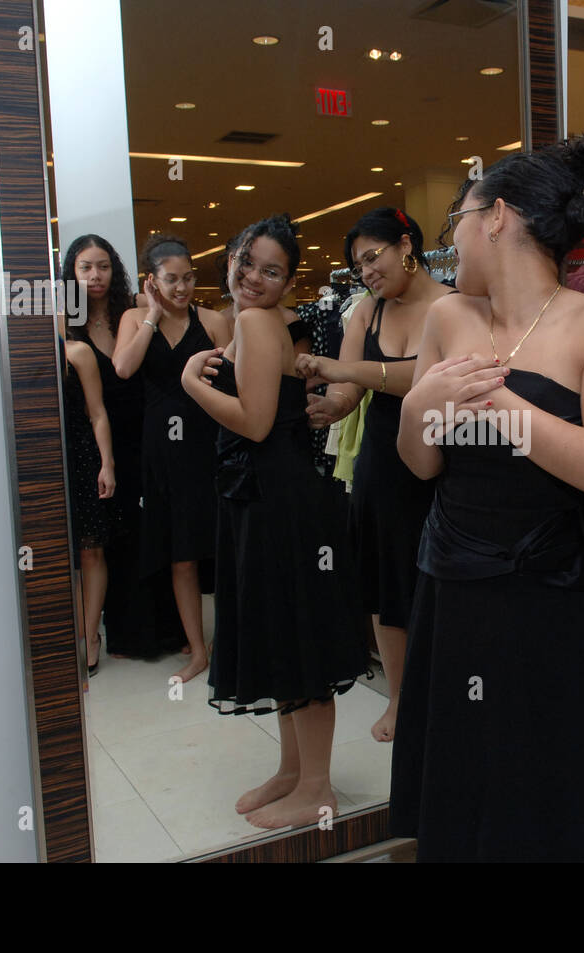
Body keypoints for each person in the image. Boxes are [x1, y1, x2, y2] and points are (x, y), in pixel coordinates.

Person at [391, 138, 584, 861]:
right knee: (466, 792)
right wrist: (422, 405)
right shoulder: (448, 318)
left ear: (498, 216)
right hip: (454, 592)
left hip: (551, 595)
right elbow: (420, 464)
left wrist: (497, 401)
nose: (452, 243)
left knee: (549, 800)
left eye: (458, 222)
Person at [182, 215, 368, 829]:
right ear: (231, 256)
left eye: (272, 271)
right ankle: (294, 772)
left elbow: (255, 422)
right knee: (285, 636)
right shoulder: (248, 322)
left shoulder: (260, 323)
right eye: (246, 261)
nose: (253, 277)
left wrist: (192, 385)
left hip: (280, 502)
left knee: (298, 638)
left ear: (289, 283)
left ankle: (318, 788)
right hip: (259, 497)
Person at [297, 207, 450, 743]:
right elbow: (348, 388)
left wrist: (345, 372)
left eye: (372, 257)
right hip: (383, 465)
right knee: (389, 586)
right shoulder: (366, 311)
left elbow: (426, 379)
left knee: (440, 584)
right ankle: (402, 698)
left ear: (406, 244)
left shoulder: (452, 305)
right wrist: (330, 405)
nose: (365, 273)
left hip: (444, 463)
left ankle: (448, 694)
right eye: (358, 265)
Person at [62, 234, 187, 662]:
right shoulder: (65, 322)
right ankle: (117, 632)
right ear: (72, 274)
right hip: (92, 440)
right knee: (104, 541)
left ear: (114, 270)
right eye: (85, 268)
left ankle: (162, 632)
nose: (95, 276)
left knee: (147, 530)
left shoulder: (134, 309)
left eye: (103, 266)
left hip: (144, 431)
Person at [113, 234, 231, 684]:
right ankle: (197, 650)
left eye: (188, 278)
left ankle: (228, 640)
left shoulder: (214, 320)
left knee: (221, 547)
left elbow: (237, 376)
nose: (182, 288)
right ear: (152, 281)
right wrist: (153, 317)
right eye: (171, 280)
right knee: (181, 554)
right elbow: (123, 368)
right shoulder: (134, 317)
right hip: (162, 449)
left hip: (211, 440)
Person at [58, 333, 116, 675]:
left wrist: (107, 463)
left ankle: (90, 635)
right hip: (40, 461)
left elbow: (97, 413)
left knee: (90, 549)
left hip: (81, 457)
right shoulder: (16, 355)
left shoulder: (77, 353)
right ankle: (61, 639)